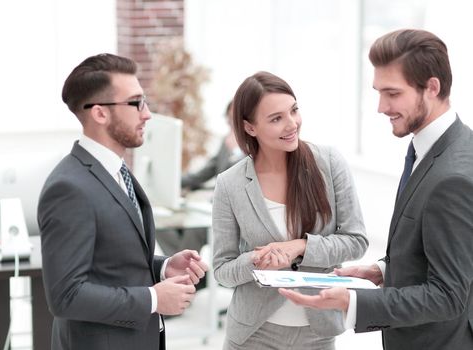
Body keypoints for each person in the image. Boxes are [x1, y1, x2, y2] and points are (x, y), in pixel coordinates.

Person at [279, 29, 473, 350]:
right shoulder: (437, 147)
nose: (381, 107)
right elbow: (444, 253)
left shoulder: (452, 175)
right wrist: (382, 270)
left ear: (432, 88)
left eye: (392, 93)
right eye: (378, 92)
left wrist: (351, 303)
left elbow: (448, 296)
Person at [38, 53, 208, 350]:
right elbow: (65, 295)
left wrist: (164, 267)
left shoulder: (117, 170)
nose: (147, 114)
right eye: (136, 103)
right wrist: (154, 298)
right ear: (100, 113)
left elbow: (110, 264)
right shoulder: (68, 187)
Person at [212, 71, 368, 350]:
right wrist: (256, 260)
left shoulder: (329, 163)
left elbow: (356, 241)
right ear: (250, 127)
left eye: (294, 110)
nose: (292, 124)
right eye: (276, 119)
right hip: (253, 335)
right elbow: (223, 270)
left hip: (317, 333)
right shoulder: (229, 184)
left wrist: (300, 247)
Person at [157, 100, 243, 258]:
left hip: (233, 212)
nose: (230, 124)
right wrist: (171, 181)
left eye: (234, 119)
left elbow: (236, 179)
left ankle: (185, 270)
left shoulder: (249, 145)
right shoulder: (226, 142)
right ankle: (182, 267)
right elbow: (203, 174)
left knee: (194, 229)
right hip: (212, 207)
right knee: (160, 223)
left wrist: (236, 151)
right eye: (228, 119)